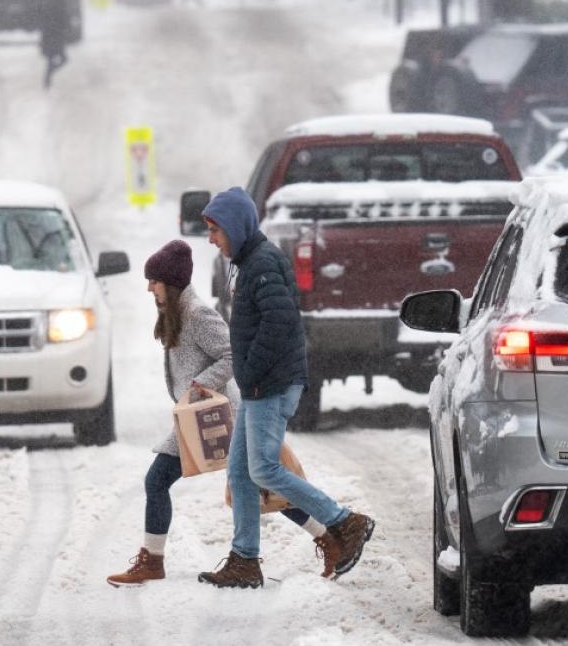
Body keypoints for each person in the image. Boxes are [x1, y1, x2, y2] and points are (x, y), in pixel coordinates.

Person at [107, 240, 336, 587]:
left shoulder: (197, 314)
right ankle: (326, 536)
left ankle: (328, 534)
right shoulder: (176, 314)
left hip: (217, 415)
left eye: (154, 281)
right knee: (255, 482)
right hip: (195, 415)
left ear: (170, 282)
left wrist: (200, 384)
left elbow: (232, 354)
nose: (148, 288)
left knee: (248, 481)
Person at [196, 188, 375, 589]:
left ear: (235, 227)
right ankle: (244, 559)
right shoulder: (251, 262)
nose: (211, 238)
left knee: (263, 468)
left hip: (270, 384)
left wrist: (253, 373)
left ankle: (345, 521)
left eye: (214, 230)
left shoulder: (261, 265)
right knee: (241, 472)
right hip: (262, 383)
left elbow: (279, 325)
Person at [39, 0, 70, 89]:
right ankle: (48, 78)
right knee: (62, 59)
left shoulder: (49, 6)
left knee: (51, 60)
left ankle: (47, 78)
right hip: (56, 38)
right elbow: (64, 23)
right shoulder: (61, 8)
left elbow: (44, 21)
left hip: (49, 38)